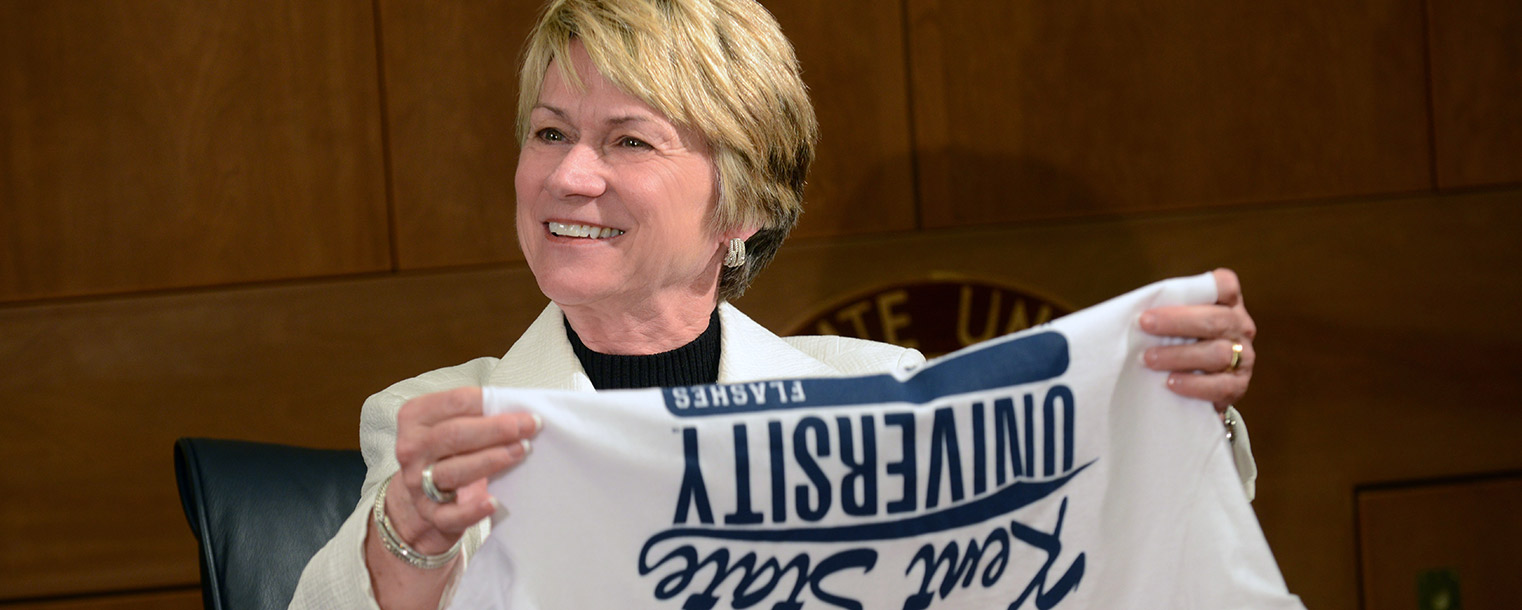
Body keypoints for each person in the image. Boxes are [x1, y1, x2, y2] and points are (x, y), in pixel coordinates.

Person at [289, 0, 1259, 607]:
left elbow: (1105, 534)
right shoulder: (441, 419)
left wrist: (1180, 403)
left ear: (743, 208)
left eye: (628, 141)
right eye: (548, 133)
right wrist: (406, 538)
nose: (569, 176)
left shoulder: (879, 397)